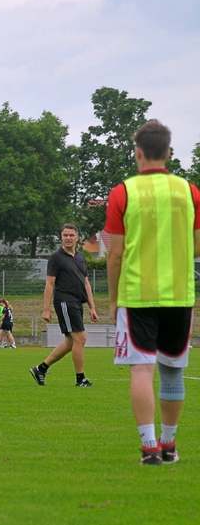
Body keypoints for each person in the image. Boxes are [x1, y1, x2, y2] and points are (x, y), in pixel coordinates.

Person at [104, 120, 200, 465]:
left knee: (141, 370)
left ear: (138, 153)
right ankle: (170, 444)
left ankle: (149, 448)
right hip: (179, 295)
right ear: (169, 153)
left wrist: (113, 300)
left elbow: (114, 254)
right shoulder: (190, 192)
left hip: (137, 294)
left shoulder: (122, 193)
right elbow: (197, 246)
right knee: (172, 370)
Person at [31, 224, 99, 387]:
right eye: (65, 235)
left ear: (77, 237)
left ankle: (40, 369)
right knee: (81, 338)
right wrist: (46, 309)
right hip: (64, 301)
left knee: (71, 342)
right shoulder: (56, 257)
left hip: (77, 302)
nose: (68, 238)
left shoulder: (81, 257)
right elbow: (49, 284)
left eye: (71, 235)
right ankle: (80, 378)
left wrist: (92, 306)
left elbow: (86, 283)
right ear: (61, 237)